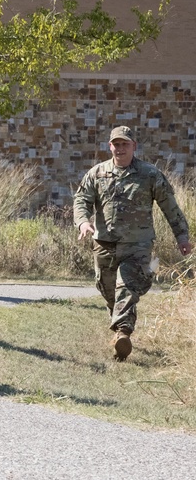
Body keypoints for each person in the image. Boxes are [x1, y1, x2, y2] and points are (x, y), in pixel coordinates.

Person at [73, 125, 191, 361]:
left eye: (125, 144)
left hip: (138, 246)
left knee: (126, 288)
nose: (120, 148)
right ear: (110, 146)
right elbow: (81, 200)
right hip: (104, 245)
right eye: (116, 144)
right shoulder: (97, 173)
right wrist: (83, 223)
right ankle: (119, 333)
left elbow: (170, 207)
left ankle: (124, 333)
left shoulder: (150, 175)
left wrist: (182, 236)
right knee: (110, 294)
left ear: (134, 147)